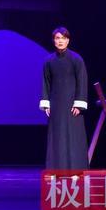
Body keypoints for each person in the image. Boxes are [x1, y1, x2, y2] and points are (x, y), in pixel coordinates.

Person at [39, 27, 89, 170]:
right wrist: (46, 103)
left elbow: (82, 81)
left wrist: (79, 104)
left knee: (73, 136)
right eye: (57, 38)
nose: (60, 41)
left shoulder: (76, 59)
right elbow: (46, 83)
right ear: (53, 40)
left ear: (68, 40)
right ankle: (55, 169)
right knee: (56, 137)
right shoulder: (49, 61)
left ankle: (76, 169)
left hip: (72, 105)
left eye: (63, 38)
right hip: (56, 104)